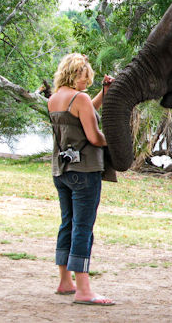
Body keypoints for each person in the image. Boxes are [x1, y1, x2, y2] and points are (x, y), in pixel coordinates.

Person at [48, 53, 116, 305]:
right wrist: (116, 141)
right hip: (85, 172)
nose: (86, 83)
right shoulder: (80, 98)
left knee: (68, 223)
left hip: (61, 172)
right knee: (83, 228)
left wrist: (103, 92)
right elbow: (95, 137)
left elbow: (83, 111)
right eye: (84, 78)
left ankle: (65, 281)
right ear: (75, 74)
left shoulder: (54, 99)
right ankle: (84, 290)